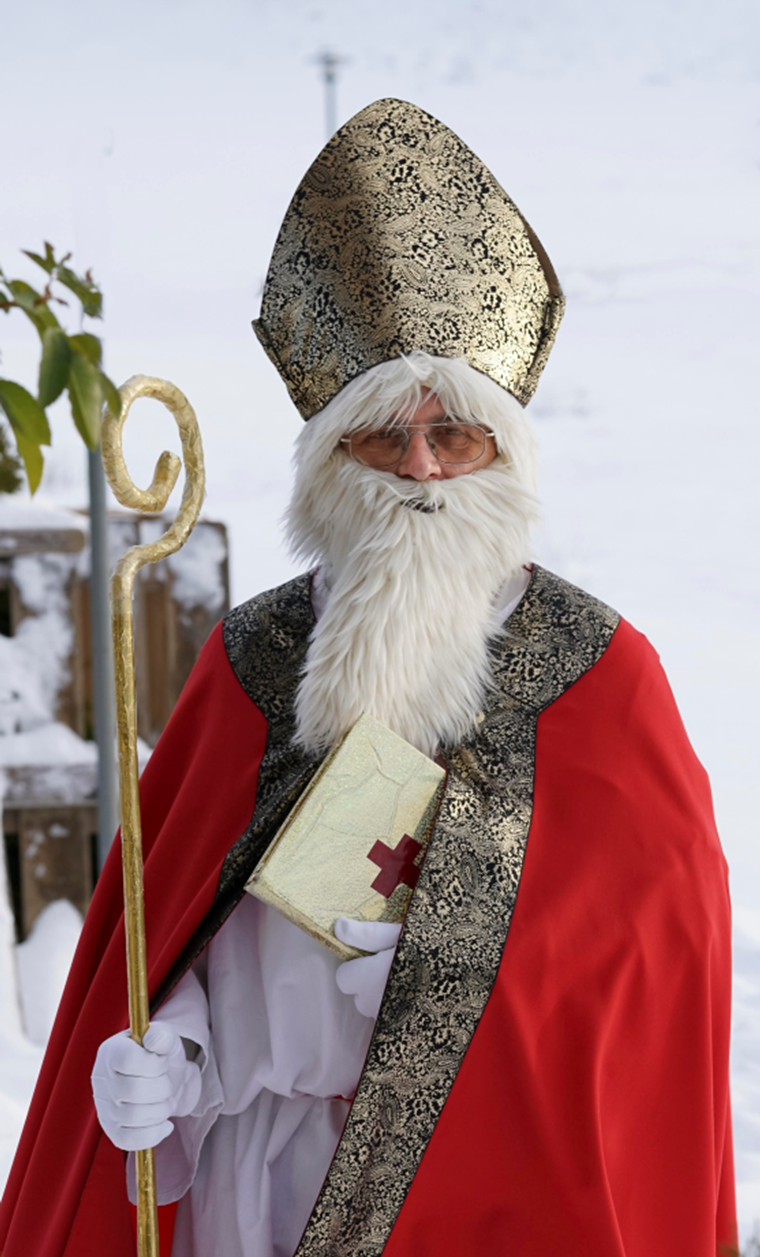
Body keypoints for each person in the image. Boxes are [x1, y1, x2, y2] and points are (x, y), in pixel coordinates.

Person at [0, 98, 736, 1257]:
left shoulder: (598, 674)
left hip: (488, 1196)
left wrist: (466, 968)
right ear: (330, 459)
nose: (422, 470)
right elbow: (171, 923)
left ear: (505, 454)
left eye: (456, 435)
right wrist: (170, 1053)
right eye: (381, 437)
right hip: (251, 1181)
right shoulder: (251, 661)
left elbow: (654, 967)